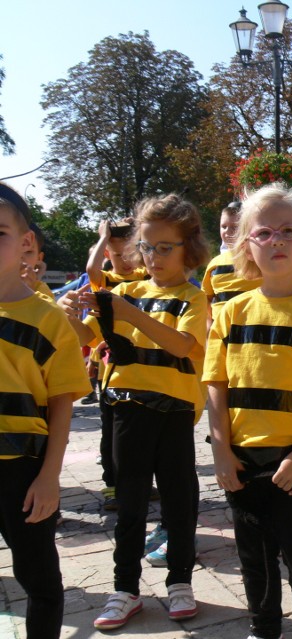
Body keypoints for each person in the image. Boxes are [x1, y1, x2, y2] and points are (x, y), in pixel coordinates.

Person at [204, 184, 292, 639]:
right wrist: (221, 452)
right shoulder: (231, 311)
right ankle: (263, 627)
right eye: (264, 233)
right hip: (243, 462)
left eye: (289, 231)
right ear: (246, 244)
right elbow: (216, 386)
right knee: (255, 559)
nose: (277, 241)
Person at [61, 194, 209, 630]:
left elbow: (182, 345)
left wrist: (128, 313)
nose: (155, 256)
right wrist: (69, 313)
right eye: (147, 246)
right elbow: (85, 336)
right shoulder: (123, 291)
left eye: (166, 246)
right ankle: (125, 588)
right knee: (129, 504)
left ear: (189, 248)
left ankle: (180, 581)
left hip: (176, 414)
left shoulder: (192, 298)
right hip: (127, 411)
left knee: (179, 502)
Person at [0, 183, 91, 639]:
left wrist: (50, 476)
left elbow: (61, 404)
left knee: (38, 578)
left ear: (25, 243)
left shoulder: (49, 319)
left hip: (23, 470)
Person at [84, 217, 151, 512]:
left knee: (140, 430)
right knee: (110, 428)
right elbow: (91, 269)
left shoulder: (144, 276)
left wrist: (140, 230)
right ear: (107, 253)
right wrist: (104, 236)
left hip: (142, 366)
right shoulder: (107, 281)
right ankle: (112, 484)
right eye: (116, 254)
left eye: (129, 253)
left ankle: (142, 483)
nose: (124, 261)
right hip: (110, 366)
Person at [201, 201, 262, 331]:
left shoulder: (259, 260)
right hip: (221, 328)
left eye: (234, 227)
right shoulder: (214, 263)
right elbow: (206, 297)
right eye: (224, 226)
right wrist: (209, 322)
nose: (228, 232)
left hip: (254, 326)